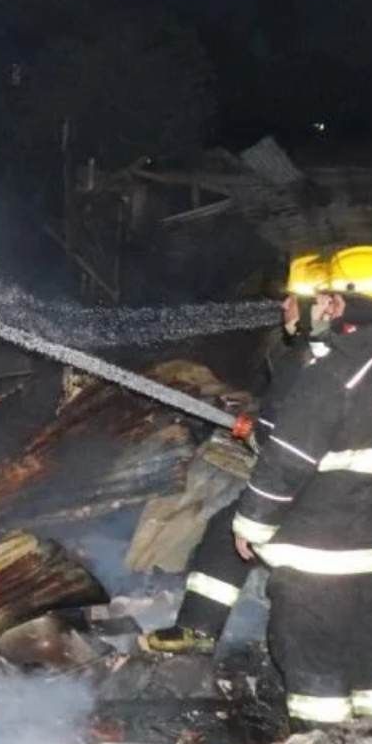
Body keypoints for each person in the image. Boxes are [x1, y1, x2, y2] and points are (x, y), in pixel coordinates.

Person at [232, 245, 372, 725]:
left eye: (328, 297)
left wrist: (251, 522)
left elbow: (288, 460)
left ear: (346, 302)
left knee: (312, 662)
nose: (320, 305)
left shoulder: (337, 374)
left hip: (320, 551)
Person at [143, 252, 331, 655]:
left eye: (294, 299)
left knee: (234, 530)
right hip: (358, 502)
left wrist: (254, 434)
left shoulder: (309, 362)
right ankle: (199, 628)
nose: (284, 306)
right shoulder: (357, 357)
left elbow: (284, 444)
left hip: (317, 499)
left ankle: (199, 631)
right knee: (227, 529)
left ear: (323, 304)